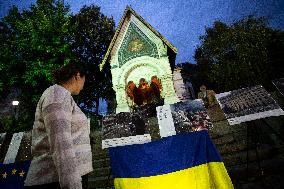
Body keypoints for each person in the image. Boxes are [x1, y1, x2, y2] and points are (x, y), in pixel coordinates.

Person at [24, 61, 93, 189]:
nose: (84, 85)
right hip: (54, 180)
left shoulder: (62, 96)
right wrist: (72, 185)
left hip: (63, 178)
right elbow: (61, 144)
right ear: (78, 76)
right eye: (84, 79)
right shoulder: (57, 95)